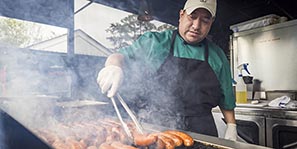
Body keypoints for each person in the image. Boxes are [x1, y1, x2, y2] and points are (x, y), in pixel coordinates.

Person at [97, 0, 237, 141]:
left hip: (202, 130)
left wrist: (232, 127)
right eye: (192, 17)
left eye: (205, 20)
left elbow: (226, 98)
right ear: (181, 15)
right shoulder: (154, 42)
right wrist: (113, 67)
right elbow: (119, 56)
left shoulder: (217, 55)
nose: (196, 26)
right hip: (156, 125)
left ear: (211, 22)